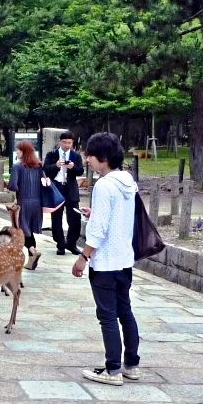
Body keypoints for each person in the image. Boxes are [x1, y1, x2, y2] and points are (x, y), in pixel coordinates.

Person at [72, 132, 140, 386]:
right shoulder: (128, 182)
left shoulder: (103, 185)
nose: (86, 160)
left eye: (89, 155)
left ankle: (112, 369)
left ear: (102, 158)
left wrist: (83, 257)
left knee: (108, 315)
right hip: (124, 259)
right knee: (125, 312)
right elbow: (116, 219)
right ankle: (130, 365)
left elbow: (99, 229)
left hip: (105, 262)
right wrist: (94, 213)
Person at [43, 131, 85, 256]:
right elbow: (46, 170)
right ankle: (60, 244)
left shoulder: (75, 156)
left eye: (69, 143)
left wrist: (73, 167)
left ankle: (71, 243)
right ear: (60, 142)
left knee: (75, 217)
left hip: (71, 188)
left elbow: (80, 171)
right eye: (64, 142)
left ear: (73, 143)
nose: (67, 145)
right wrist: (56, 165)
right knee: (56, 217)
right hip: (57, 187)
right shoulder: (52, 154)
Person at [8, 140, 45, 271]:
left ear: (23, 151)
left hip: (23, 202)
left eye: (18, 150)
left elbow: (13, 185)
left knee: (23, 231)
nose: (16, 152)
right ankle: (31, 261)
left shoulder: (18, 167)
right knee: (29, 231)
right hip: (37, 203)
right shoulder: (39, 166)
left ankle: (32, 250)